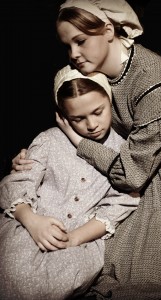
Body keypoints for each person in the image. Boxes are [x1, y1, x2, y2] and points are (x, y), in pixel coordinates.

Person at [11, 0, 161, 299]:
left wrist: (77, 140)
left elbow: (133, 175)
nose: (74, 53)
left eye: (81, 41)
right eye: (67, 45)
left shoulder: (155, 81)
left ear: (109, 30)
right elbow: (75, 105)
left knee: (144, 272)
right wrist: (33, 154)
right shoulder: (94, 71)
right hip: (128, 163)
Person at [0, 64, 140, 300]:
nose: (92, 125)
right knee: (14, 271)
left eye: (98, 111)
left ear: (110, 102)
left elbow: (122, 202)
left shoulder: (123, 153)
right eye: (78, 118)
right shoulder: (49, 140)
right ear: (63, 116)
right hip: (31, 224)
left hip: (83, 239)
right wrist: (32, 221)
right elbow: (20, 181)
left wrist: (76, 238)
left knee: (56, 280)